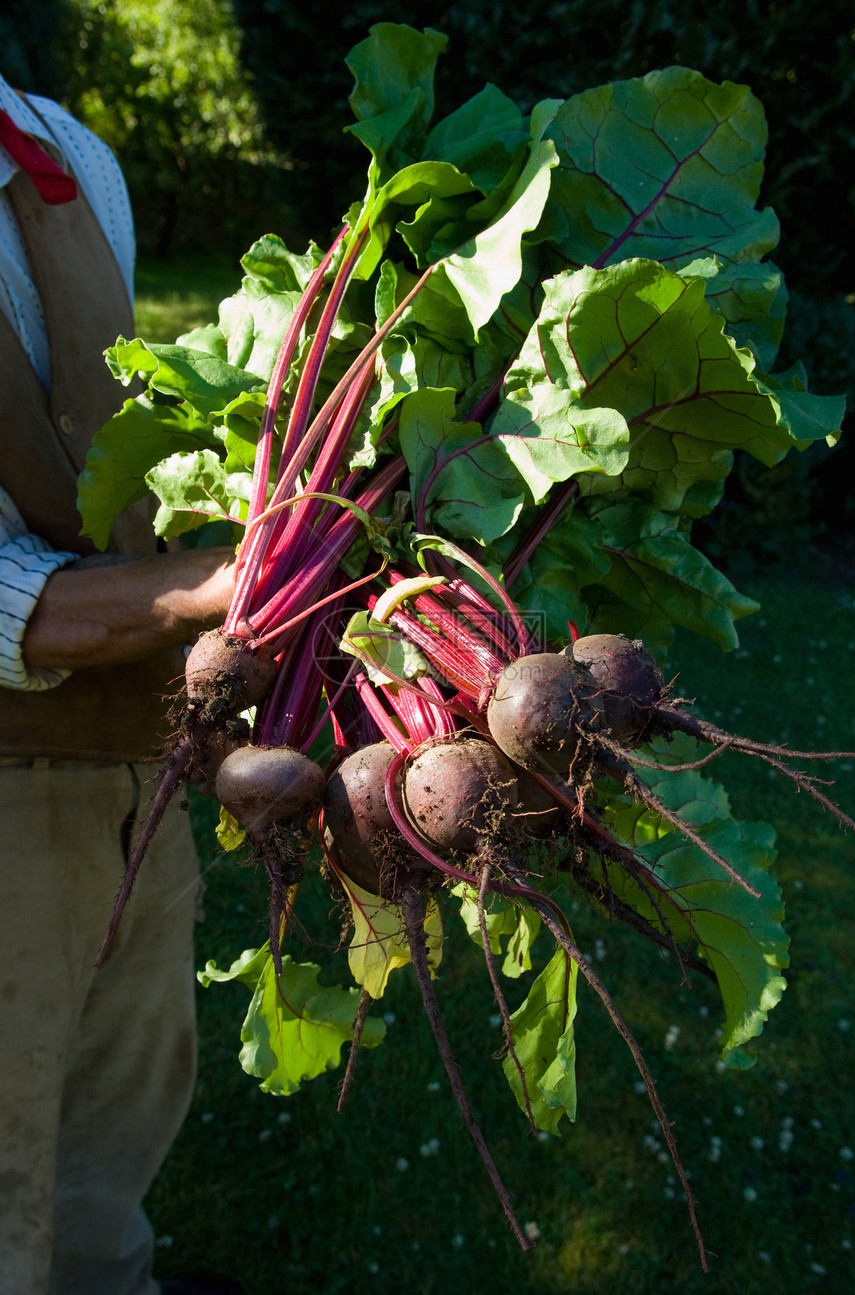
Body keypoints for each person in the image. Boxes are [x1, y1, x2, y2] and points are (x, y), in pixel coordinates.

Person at [0, 78, 241, 1295]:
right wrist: (203, 588)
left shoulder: (60, 149)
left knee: (114, 1141)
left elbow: (114, 440)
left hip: (138, 762)